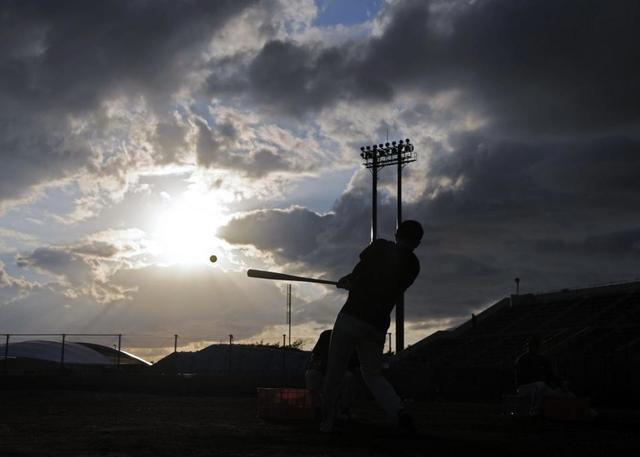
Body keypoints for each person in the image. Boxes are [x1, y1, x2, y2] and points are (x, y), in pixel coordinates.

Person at [321, 220, 423, 433]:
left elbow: (359, 274)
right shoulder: (414, 265)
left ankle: (327, 421)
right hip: (376, 326)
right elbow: (380, 282)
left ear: (397, 234)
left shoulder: (379, 246)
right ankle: (398, 413)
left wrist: (348, 281)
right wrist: (353, 281)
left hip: (352, 316)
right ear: (417, 243)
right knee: (373, 375)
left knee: (335, 372)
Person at [305, 329, 359, 419]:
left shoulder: (352, 339)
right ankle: (317, 408)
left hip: (343, 372)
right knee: (311, 374)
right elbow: (315, 357)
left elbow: (355, 363)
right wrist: (317, 365)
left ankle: (343, 409)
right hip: (323, 371)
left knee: (348, 377)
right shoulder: (326, 335)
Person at [515, 335, 569, 415]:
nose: (534, 348)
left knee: (563, 393)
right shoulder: (523, 359)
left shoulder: (543, 359)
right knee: (539, 385)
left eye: (536, 346)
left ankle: (586, 412)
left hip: (540, 387)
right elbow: (522, 378)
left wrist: (561, 384)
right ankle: (534, 412)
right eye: (532, 346)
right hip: (524, 388)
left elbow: (551, 375)